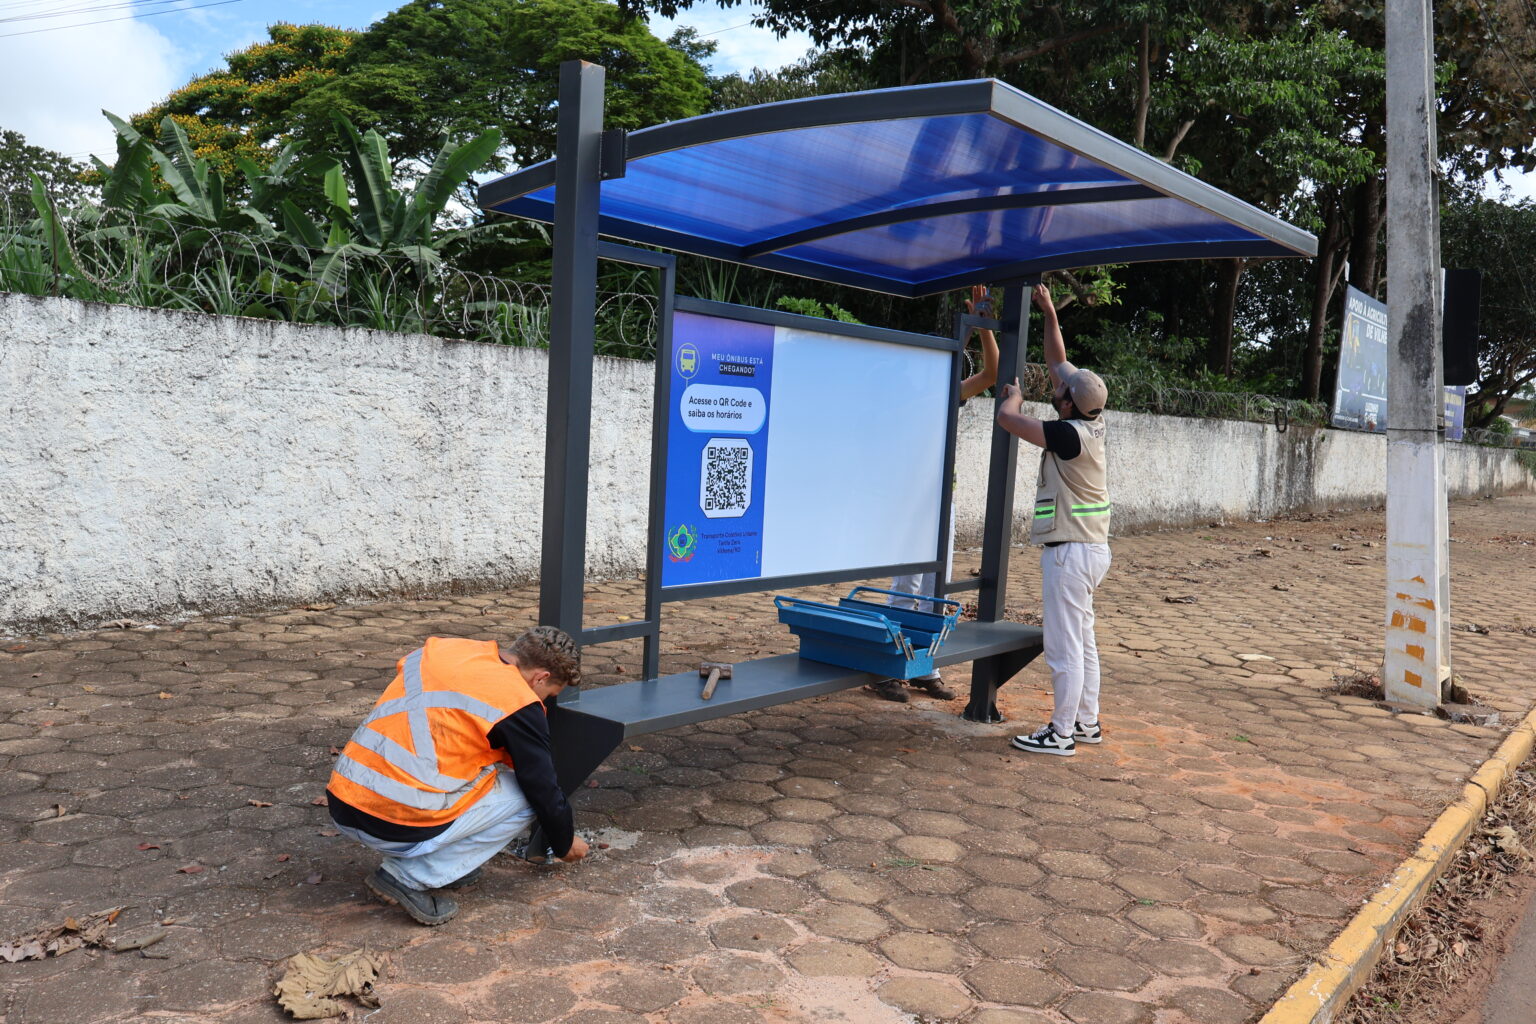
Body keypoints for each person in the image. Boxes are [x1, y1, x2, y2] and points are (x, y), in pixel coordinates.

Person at [326, 625, 590, 925]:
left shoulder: (444, 649)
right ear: (540, 677)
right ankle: (407, 876)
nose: (544, 702)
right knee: (525, 796)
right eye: (549, 694)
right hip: (392, 825)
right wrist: (564, 842)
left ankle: (446, 862)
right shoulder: (517, 702)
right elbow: (543, 789)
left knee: (479, 767)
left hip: (344, 801)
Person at [994, 283, 1111, 756]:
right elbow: (1057, 360)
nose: (1056, 383)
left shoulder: (1066, 436)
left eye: (1060, 388)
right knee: (1083, 641)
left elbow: (1008, 420)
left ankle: (1061, 733)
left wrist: (1014, 397)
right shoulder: (1092, 415)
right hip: (1091, 549)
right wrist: (1049, 313)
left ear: (1067, 404)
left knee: (1064, 647)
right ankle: (1086, 722)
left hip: (1070, 554)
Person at [869, 285, 999, 704]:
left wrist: (981, 327)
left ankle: (924, 666)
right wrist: (970, 330)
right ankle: (888, 667)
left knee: (935, 588)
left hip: (941, 501)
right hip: (907, 502)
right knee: (906, 585)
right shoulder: (900, 403)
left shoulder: (942, 395)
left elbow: (992, 373)